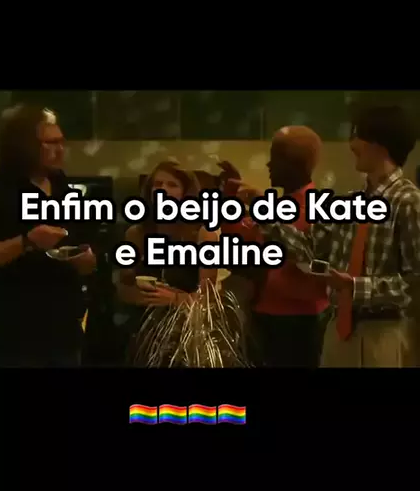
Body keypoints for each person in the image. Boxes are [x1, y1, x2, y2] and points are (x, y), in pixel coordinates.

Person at [233, 106, 420, 367]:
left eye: (357, 136)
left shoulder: (408, 201)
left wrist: (355, 287)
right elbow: (309, 250)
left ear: (378, 143)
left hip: (381, 332)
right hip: (338, 329)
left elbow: (415, 283)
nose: (351, 145)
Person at [0, 104, 96, 367]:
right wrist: (27, 241)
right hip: (13, 333)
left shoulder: (64, 188)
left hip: (63, 328)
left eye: (61, 142)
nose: (60, 149)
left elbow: (86, 248)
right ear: (22, 146)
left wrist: (86, 260)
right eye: (50, 143)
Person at [219, 127, 330, 367]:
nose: (269, 165)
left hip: (300, 323)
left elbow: (303, 254)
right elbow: (238, 239)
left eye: (276, 157)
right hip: (265, 315)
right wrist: (230, 196)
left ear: (295, 164)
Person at [117, 160, 219, 364]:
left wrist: (174, 299)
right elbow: (122, 287)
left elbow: (208, 300)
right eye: (157, 184)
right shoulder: (136, 233)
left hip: (185, 335)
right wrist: (135, 294)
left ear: (186, 194)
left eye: (172, 185)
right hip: (143, 332)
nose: (162, 189)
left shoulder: (203, 235)